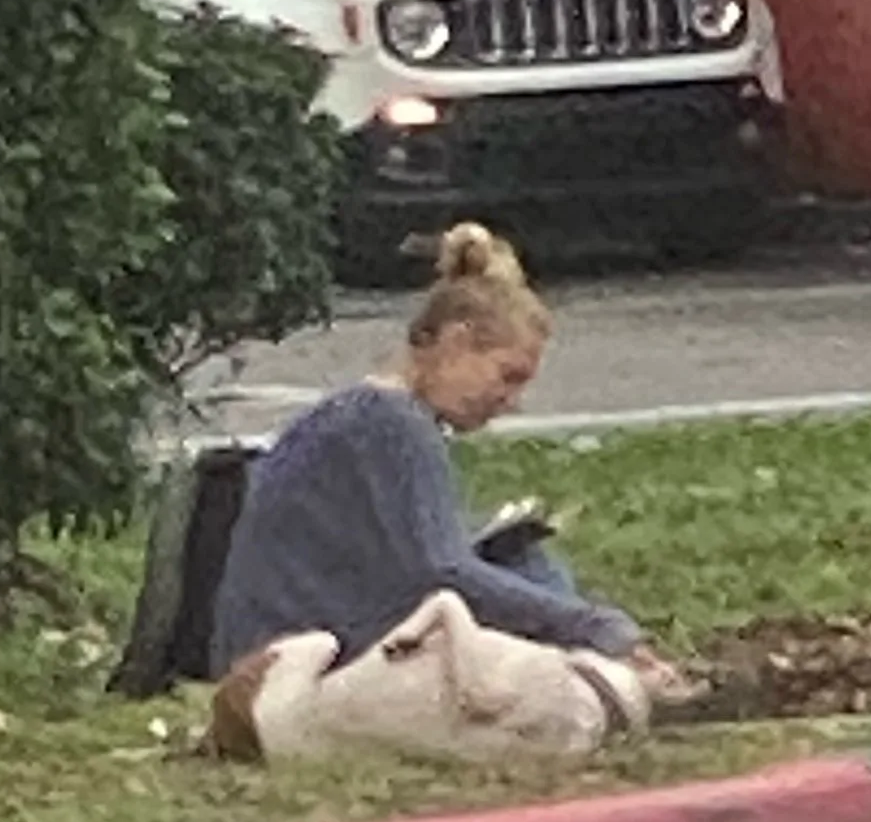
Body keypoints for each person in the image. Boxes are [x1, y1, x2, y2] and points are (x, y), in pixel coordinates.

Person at [211, 222, 693, 703]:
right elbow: (442, 572)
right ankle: (620, 675)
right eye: (508, 376)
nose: (510, 402)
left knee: (520, 561)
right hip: (297, 671)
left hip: (281, 646)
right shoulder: (393, 423)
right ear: (457, 342)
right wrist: (595, 627)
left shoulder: (363, 415)